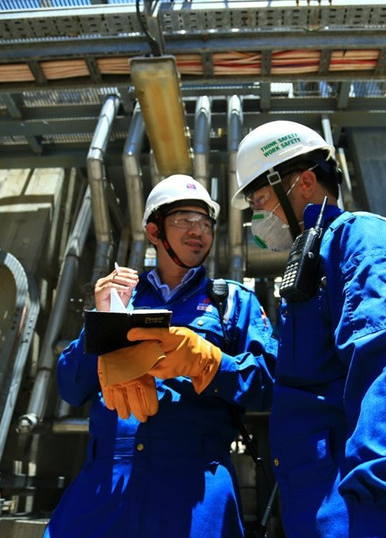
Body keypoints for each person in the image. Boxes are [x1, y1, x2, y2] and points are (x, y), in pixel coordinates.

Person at [230, 120, 386, 537]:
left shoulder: (362, 238)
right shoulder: (312, 261)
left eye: (261, 200)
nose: (256, 217)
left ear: (304, 182)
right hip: (326, 503)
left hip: (367, 513)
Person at [45, 174, 278, 537]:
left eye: (205, 223)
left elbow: (271, 384)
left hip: (196, 482)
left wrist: (210, 363)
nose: (198, 231)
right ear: (154, 232)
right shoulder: (123, 297)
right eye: (184, 220)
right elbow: (70, 388)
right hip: (106, 485)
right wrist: (101, 325)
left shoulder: (232, 301)